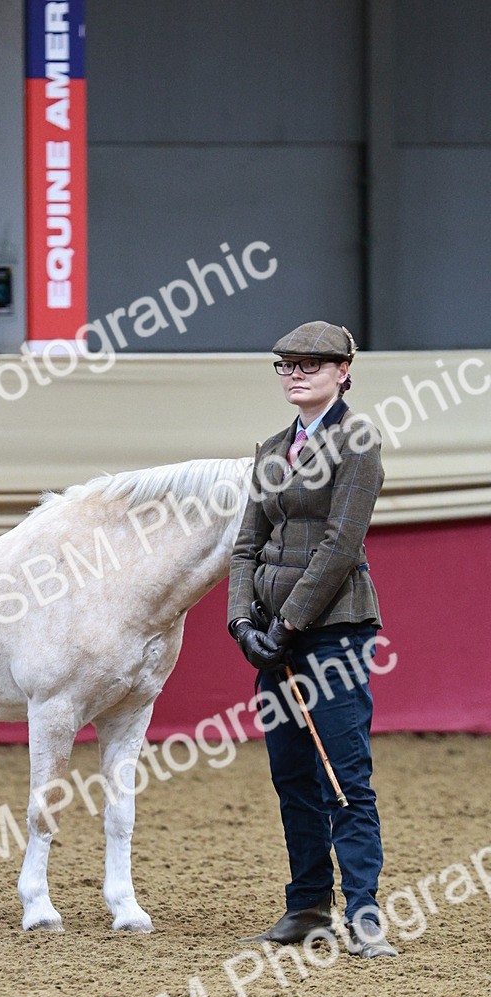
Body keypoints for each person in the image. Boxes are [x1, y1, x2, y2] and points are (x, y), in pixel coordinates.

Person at [227, 320, 397, 959]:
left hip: (333, 633)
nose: (294, 374)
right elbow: (246, 544)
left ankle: (365, 910)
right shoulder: (272, 448)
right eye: (285, 365)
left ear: (342, 372)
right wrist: (241, 623)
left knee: (344, 771)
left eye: (309, 364)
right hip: (272, 636)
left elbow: (340, 545)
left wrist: (287, 621)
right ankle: (306, 906)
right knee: (291, 773)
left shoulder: (357, 441)